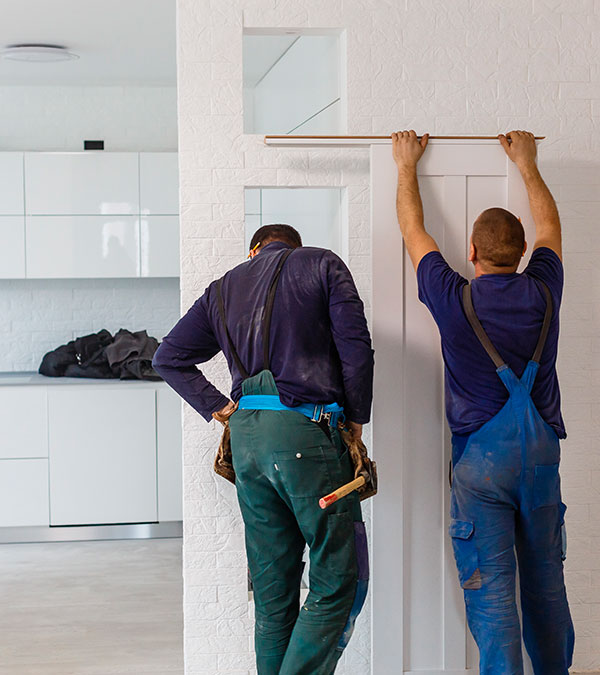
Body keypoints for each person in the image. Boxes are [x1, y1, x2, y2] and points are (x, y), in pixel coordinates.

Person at [152, 223, 374, 675]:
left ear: (254, 251)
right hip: (306, 435)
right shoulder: (322, 263)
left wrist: (221, 409)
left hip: (248, 443)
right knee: (340, 580)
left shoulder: (223, 288)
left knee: (274, 596)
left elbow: (168, 356)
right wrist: (354, 424)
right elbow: (357, 351)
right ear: (290, 246)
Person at [392, 129, 574, 674]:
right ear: (522, 255)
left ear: (471, 253)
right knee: (546, 587)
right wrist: (526, 162)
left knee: (494, 599)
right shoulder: (545, 288)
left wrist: (406, 165)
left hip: (480, 466)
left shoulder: (454, 298)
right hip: (540, 461)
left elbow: (412, 229)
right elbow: (551, 226)